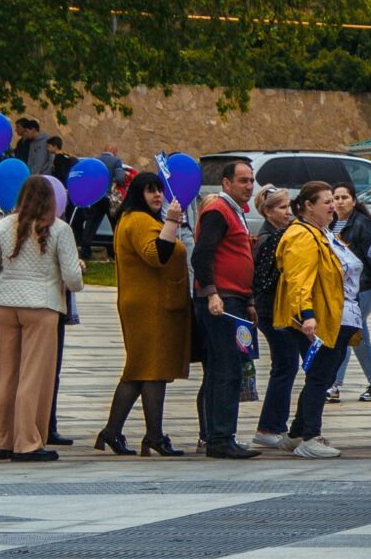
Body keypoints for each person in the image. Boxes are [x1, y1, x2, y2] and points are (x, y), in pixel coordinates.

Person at [99, 170, 192, 457]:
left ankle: (112, 432)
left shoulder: (134, 218)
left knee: (140, 370)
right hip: (150, 306)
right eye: (150, 190)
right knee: (153, 370)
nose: (157, 195)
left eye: (159, 190)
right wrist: (172, 222)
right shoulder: (138, 220)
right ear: (138, 194)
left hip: (147, 303)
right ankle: (153, 436)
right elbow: (156, 254)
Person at [273, 181, 355, 459]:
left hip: (331, 317)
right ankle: (310, 436)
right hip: (316, 320)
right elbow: (299, 281)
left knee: (324, 375)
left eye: (333, 200)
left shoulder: (319, 232)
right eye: (327, 201)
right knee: (320, 376)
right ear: (308, 205)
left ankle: (297, 433)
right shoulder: (302, 236)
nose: (333, 206)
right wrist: (306, 317)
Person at [192, 160, 261, 460]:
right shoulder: (218, 211)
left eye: (251, 180)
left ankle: (219, 435)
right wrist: (212, 293)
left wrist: (248, 301)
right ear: (226, 183)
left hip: (234, 300)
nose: (249, 186)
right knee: (225, 369)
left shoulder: (236, 212)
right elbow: (202, 255)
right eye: (243, 180)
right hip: (221, 301)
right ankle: (220, 437)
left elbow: (237, 256)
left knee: (224, 369)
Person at [248, 188, 302, 449]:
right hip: (272, 310)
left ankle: (273, 424)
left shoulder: (273, 234)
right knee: (286, 364)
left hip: (275, 309)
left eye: (288, 207)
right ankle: (269, 427)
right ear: (268, 211)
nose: (288, 212)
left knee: (286, 364)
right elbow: (267, 280)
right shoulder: (272, 237)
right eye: (282, 208)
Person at [332, 184, 371, 402]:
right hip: (342, 290)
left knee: (346, 331)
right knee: (358, 336)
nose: (340, 201)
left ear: (354, 201)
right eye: (336, 197)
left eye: (345, 197)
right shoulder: (331, 224)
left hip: (364, 288)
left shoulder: (362, 224)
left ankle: (333, 384)